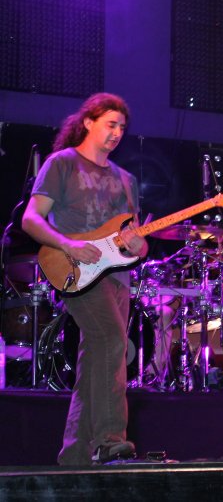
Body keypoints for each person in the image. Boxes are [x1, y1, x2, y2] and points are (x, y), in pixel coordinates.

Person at [21, 93, 148, 465]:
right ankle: (109, 439)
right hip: (74, 270)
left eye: (122, 127)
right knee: (111, 341)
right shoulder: (62, 164)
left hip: (117, 277)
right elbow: (31, 219)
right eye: (110, 124)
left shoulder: (126, 180)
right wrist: (69, 245)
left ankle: (74, 455)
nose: (117, 132)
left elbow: (134, 242)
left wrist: (139, 245)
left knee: (97, 358)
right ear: (89, 122)